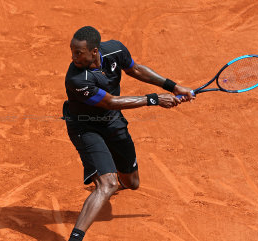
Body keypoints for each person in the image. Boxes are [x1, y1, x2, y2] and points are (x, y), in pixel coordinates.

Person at [62, 26, 195, 241]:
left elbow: (136, 69)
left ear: (95, 51)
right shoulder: (76, 79)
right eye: (72, 51)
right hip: (85, 126)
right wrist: (154, 99)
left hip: (113, 122)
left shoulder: (116, 50)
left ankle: (110, 180)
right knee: (108, 183)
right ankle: (76, 237)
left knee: (132, 183)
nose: (73, 56)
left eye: (79, 52)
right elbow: (111, 102)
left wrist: (173, 86)